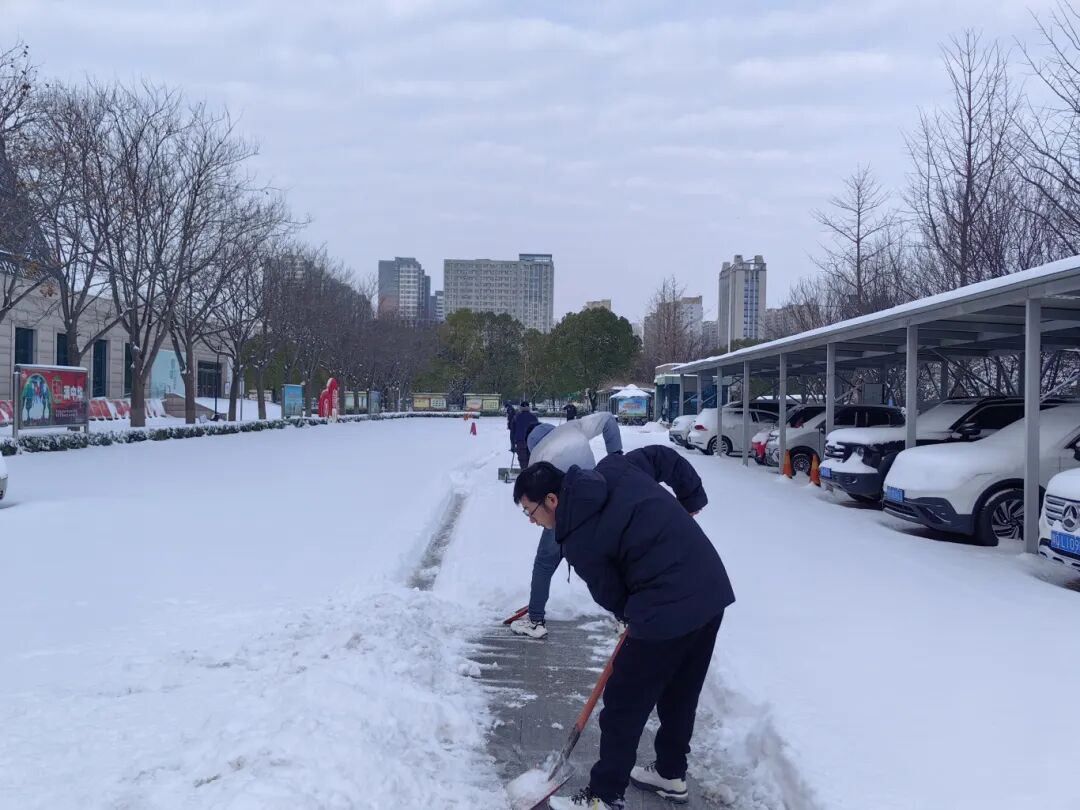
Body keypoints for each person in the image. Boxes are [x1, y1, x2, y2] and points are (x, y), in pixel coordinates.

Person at [513, 447, 734, 810]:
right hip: (709, 588)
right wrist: (690, 499)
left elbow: (613, 596)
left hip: (666, 605)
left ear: (551, 500)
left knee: (622, 704)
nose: (531, 520)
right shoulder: (615, 467)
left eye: (530, 511)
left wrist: (636, 618)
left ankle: (603, 795)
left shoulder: (578, 539)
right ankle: (669, 772)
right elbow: (665, 457)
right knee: (680, 690)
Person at [508, 412, 623, 640]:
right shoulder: (574, 427)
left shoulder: (537, 460)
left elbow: (537, 504)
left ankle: (535, 620)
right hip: (598, 501)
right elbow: (609, 419)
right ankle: (624, 618)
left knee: (544, 563)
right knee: (607, 561)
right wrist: (617, 456)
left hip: (562, 513)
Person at [510, 400, 538, 468]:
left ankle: (524, 472)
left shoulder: (516, 417)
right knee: (531, 459)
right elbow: (537, 430)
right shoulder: (533, 417)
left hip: (520, 442)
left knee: (522, 460)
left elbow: (512, 432)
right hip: (532, 442)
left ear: (520, 408)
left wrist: (512, 445)